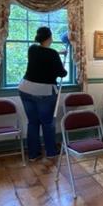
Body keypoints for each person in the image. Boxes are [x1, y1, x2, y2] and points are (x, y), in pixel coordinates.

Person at [18, 26, 68, 161]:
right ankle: (51, 152)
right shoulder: (52, 54)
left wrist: (58, 54)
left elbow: (43, 56)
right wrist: (60, 58)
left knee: (33, 123)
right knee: (47, 122)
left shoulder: (32, 49)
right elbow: (62, 73)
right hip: (43, 92)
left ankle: (33, 154)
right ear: (50, 38)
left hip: (25, 89)